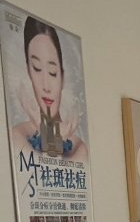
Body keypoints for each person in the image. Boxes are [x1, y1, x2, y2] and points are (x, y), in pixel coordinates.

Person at [11, 17, 87, 161]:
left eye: (52, 72)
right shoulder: (18, 136)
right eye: (37, 68)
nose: (46, 86)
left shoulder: (78, 148)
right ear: (29, 72)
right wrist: (42, 130)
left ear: (62, 77)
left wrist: (57, 139)